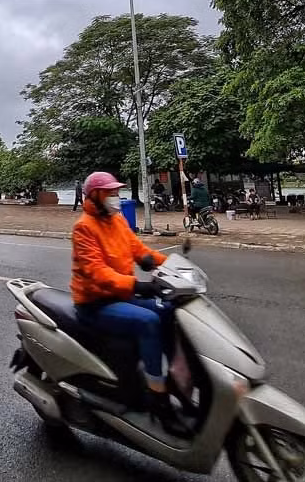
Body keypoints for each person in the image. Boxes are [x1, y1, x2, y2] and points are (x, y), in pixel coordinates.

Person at [71, 171, 188, 436]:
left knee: (169, 310)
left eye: (116, 192)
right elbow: (97, 273)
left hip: (120, 296)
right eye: (110, 193)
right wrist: (137, 285)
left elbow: (139, 250)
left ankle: (175, 381)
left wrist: (171, 266)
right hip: (95, 303)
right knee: (148, 321)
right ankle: (159, 402)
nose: (116, 197)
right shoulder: (84, 227)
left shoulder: (118, 220)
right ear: (95, 196)